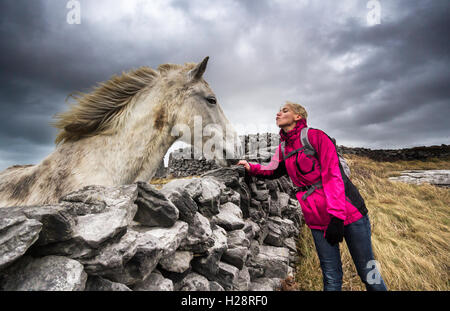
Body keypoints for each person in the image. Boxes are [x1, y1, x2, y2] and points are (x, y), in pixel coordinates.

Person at [237, 101, 388, 291]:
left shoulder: (316, 137)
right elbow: (272, 169)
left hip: (349, 214)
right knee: (331, 277)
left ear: (298, 116)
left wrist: (336, 217)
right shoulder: (284, 148)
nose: (278, 113)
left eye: (284, 111)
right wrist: (252, 167)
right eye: (278, 111)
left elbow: (333, 175)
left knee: (368, 272)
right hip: (316, 219)